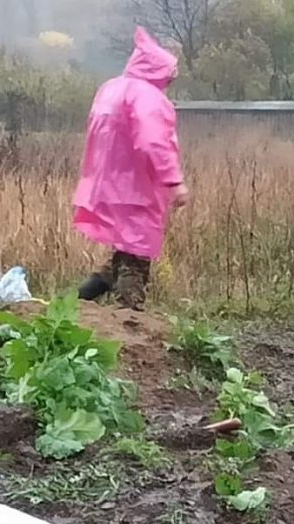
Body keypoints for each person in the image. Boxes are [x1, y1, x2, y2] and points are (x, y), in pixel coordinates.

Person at [74, 27, 189, 311]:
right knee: (136, 252)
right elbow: (154, 141)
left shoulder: (111, 88)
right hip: (134, 187)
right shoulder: (148, 97)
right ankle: (128, 316)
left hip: (106, 181)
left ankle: (85, 294)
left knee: (125, 245)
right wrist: (174, 181)